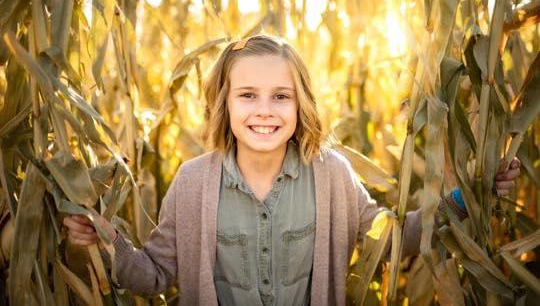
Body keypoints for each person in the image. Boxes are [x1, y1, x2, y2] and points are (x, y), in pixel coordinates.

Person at [63, 35, 521, 305]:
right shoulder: (193, 182)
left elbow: (401, 237)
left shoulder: (332, 176)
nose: (265, 110)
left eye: (281, 96)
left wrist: (474, 194)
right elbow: (155, 275)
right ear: (224, 102)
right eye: (247, 95)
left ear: (301, 103)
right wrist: (105, 242)